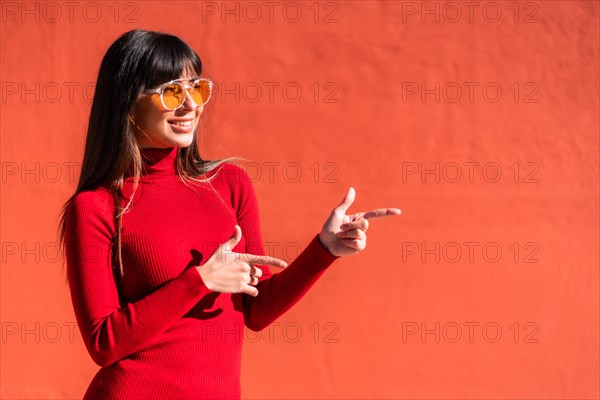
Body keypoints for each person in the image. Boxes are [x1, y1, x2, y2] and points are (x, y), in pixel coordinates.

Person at [57, 29, 400, 399]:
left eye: (197, 88)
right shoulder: (97, 207)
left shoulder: (229, 185)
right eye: (172, 91)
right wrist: (200, 280)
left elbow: (256, 311)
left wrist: (325, 249)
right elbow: (104, 343)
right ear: (128, 102)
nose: (190, 105)